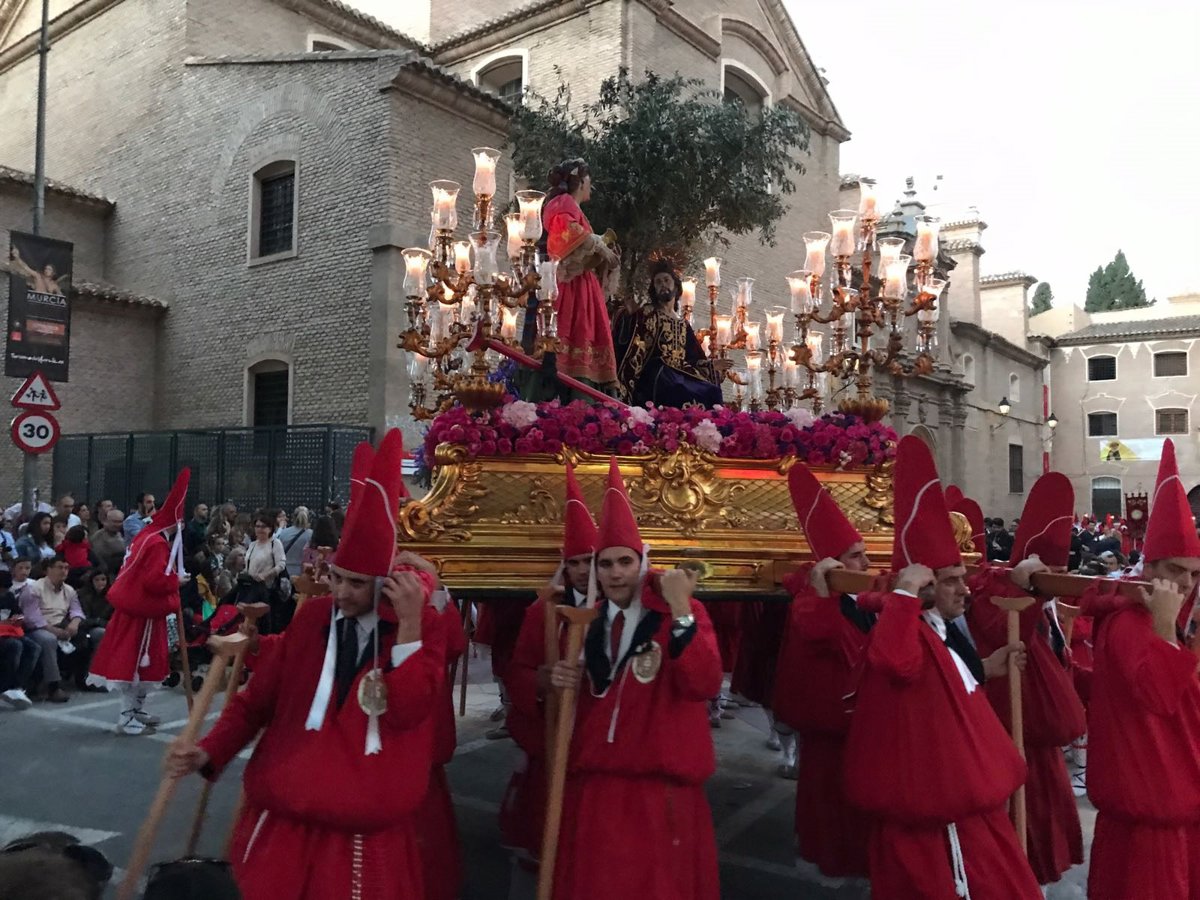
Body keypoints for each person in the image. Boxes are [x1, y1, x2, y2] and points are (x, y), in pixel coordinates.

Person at [166, 430, 445, 900]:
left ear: (385, 583)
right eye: (337, 578)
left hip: (361, 834)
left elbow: (410, 710)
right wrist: (208, 751)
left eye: (357, 584)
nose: (340, 593)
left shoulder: (419, 628)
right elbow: (257, 703)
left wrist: (413, 625)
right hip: (282, 823)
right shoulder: (312, 619)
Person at [843, 436, 1039, 899]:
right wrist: (905, 594)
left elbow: (944, 687)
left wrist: (987, 668)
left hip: (971, 809)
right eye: (950, 582)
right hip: (936, 821)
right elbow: (897, 662)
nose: (964, 591)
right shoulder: (903, 628)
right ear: (925, 586)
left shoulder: (939, 629)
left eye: (961, 579)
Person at [548, 457, 723, 900]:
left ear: (643, 562)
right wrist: (566, 680)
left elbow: (702, 683)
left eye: (624, 561)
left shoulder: (681, 615)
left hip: (659, 789)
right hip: (598, 788)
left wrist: (682, 609)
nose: (615, 573)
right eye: (605, 564)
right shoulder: (584, 623)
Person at [1083, 438, 1200, 899]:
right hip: (1150, 806)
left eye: (1194, 573)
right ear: (1148, 567)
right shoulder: (1131, 624)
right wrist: (1166, 628)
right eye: (1176, 570)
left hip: (1178, 801)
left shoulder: (1171, 620)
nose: (1186, 584)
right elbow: (1157, 695)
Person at [966, 473, 1086, 886]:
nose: (1056, 579)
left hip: (1043, 745)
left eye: (1061, 570)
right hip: (1012, 740)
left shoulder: (1049, 603)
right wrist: (1027, 589)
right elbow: (1000, 630)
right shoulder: (991, 592)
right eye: (1050, 570)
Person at [772, 462, 875, 881]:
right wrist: (819, 592)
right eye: (856, 556)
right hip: (831, 727)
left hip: (858, 728)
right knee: (829, 808)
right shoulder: (811, 607)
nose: (867, 562)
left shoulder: (855, 601)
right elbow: (822, 636)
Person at [502, 463, 598, 864]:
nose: (580, 571)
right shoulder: (544, 611)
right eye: (573, 563)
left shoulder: (618, 613)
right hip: (554, 727)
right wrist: (542, 681)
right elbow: (518, 670)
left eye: (588, 562)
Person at [86, 469, 190, 735]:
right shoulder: (156, 544)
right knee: (133, 664)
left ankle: (136, 710)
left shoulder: (147, 537)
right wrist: (175, 583)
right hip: (141, 613)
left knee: (145, 663)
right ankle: (126, 716)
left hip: (140, 611)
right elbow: (154, 581)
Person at [539, 158, 619, 396]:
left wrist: (605, 256)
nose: (590, 187)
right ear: (582, 181)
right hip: (571, 288)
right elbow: (566, 235)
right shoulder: (562, 204)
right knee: (572, 333)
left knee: (588, 334)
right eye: (589, 182)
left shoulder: (572, 207)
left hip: (583, 287)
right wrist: (599, 246)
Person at [612, 257, 730, 408]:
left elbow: (694, 357)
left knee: (710, 391)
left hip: (681, 372)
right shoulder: (647, 313)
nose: (663, 285)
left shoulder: (683, 324)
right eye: (658, 282)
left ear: (675, 285)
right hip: (658, 373)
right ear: (654, 289)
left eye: (666, 280)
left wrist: (711, 365)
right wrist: (628, 316)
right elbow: (631, 339)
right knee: (676, 388)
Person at [20, 554, 85, 703]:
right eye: (60, 567)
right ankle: (53, 686)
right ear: (48, 569)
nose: (64, 571)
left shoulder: (69, 590)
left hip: (61, 624)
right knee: (48, 640)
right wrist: (54, 631)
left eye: (66, 568)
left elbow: (76, 611)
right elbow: (32, 618)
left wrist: (74, 623)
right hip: (38, 628)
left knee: (91, 635)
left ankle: (86, 678)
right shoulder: (33, 588)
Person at [0, 568, 39, 709]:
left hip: (9, 631)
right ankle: (6, 686)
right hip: (4, 635)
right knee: (15, 646)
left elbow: (19, 614)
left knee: (34, 647)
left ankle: (18, 686)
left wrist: (18, 619)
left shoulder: (9, 596)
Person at [244, 511, 288, 632]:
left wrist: (266, 575)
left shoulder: (275, 543)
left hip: (267, 589)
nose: (260, 529)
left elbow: (281, 564)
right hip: (250, 586)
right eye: (257, 526)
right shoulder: (252, 545)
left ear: (270, 528)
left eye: (263, 527)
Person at [74, 568, 112, 691]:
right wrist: (98, 622)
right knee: (102, 634)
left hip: (105, 626)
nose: (101, 583)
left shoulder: (111, 596)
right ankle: (93, 677)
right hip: (86, 628)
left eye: (103, 579)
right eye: (97, 580)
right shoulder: (82, 595)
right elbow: (82, 619)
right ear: (91, 581)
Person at [276, 507, 313, 578]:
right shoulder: (311, 534)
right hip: (303, 572)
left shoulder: (284, 533)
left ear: (293, 517)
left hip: (285, 570)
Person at [91, 509, 126, 577]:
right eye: (114, 522)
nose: (117, 525)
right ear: (105, 521)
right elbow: (100, 560)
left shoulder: (121, 534)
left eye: (120, 522)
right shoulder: (98, 537)